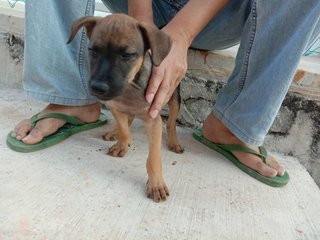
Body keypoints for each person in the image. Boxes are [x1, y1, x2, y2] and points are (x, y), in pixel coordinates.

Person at [8, 0, 320, 185]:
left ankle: (232, 126)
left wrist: (182, 32)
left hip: (223, 14)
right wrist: (141, 20)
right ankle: (68, 97)